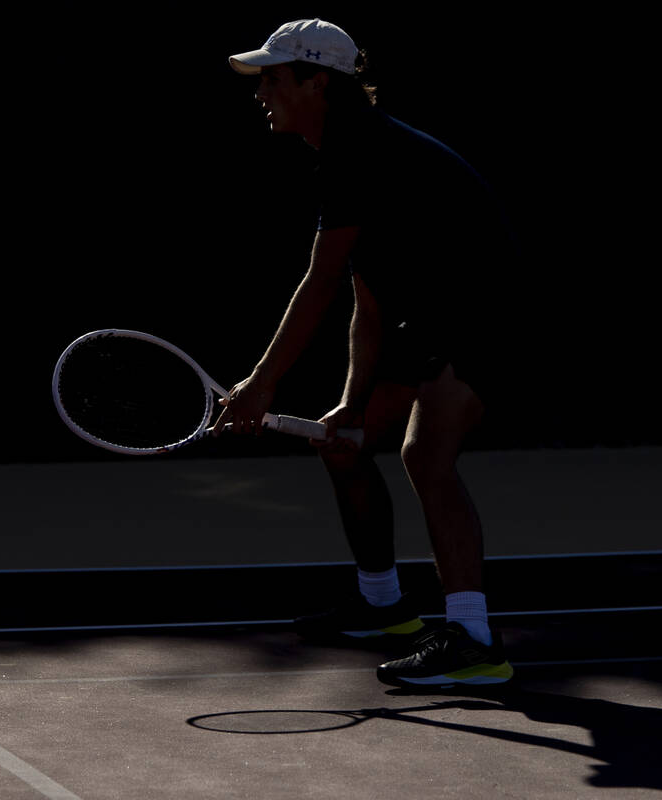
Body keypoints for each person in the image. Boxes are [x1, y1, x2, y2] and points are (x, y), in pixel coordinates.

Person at [219, 18, 516, 688]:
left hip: (484, 315)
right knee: (343, 444)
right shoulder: (350, 155)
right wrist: (353, 404)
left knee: (424, 456)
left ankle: (474, 642)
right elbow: (367, 302)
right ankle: (384, 607)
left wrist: (262, 382)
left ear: (316, 82)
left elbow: (319, 283)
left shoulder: (358, 150)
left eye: (273, 77)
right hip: (429, 318)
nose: (261, 91)